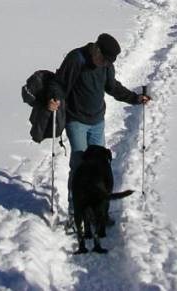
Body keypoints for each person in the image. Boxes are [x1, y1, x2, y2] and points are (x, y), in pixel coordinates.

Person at [47, 33, 151, 217]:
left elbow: (112, 87)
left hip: (97, 121)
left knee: (99, 167)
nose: (103, 64)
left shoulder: (106, 65)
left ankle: (98, 209)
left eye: (107, 62)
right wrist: (53, 98)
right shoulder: (76, 58)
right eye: (102, 59)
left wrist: (135, 98)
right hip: (76, 120)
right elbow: (59, 83)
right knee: (79, 166)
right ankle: (75, 210)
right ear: (96, 48)